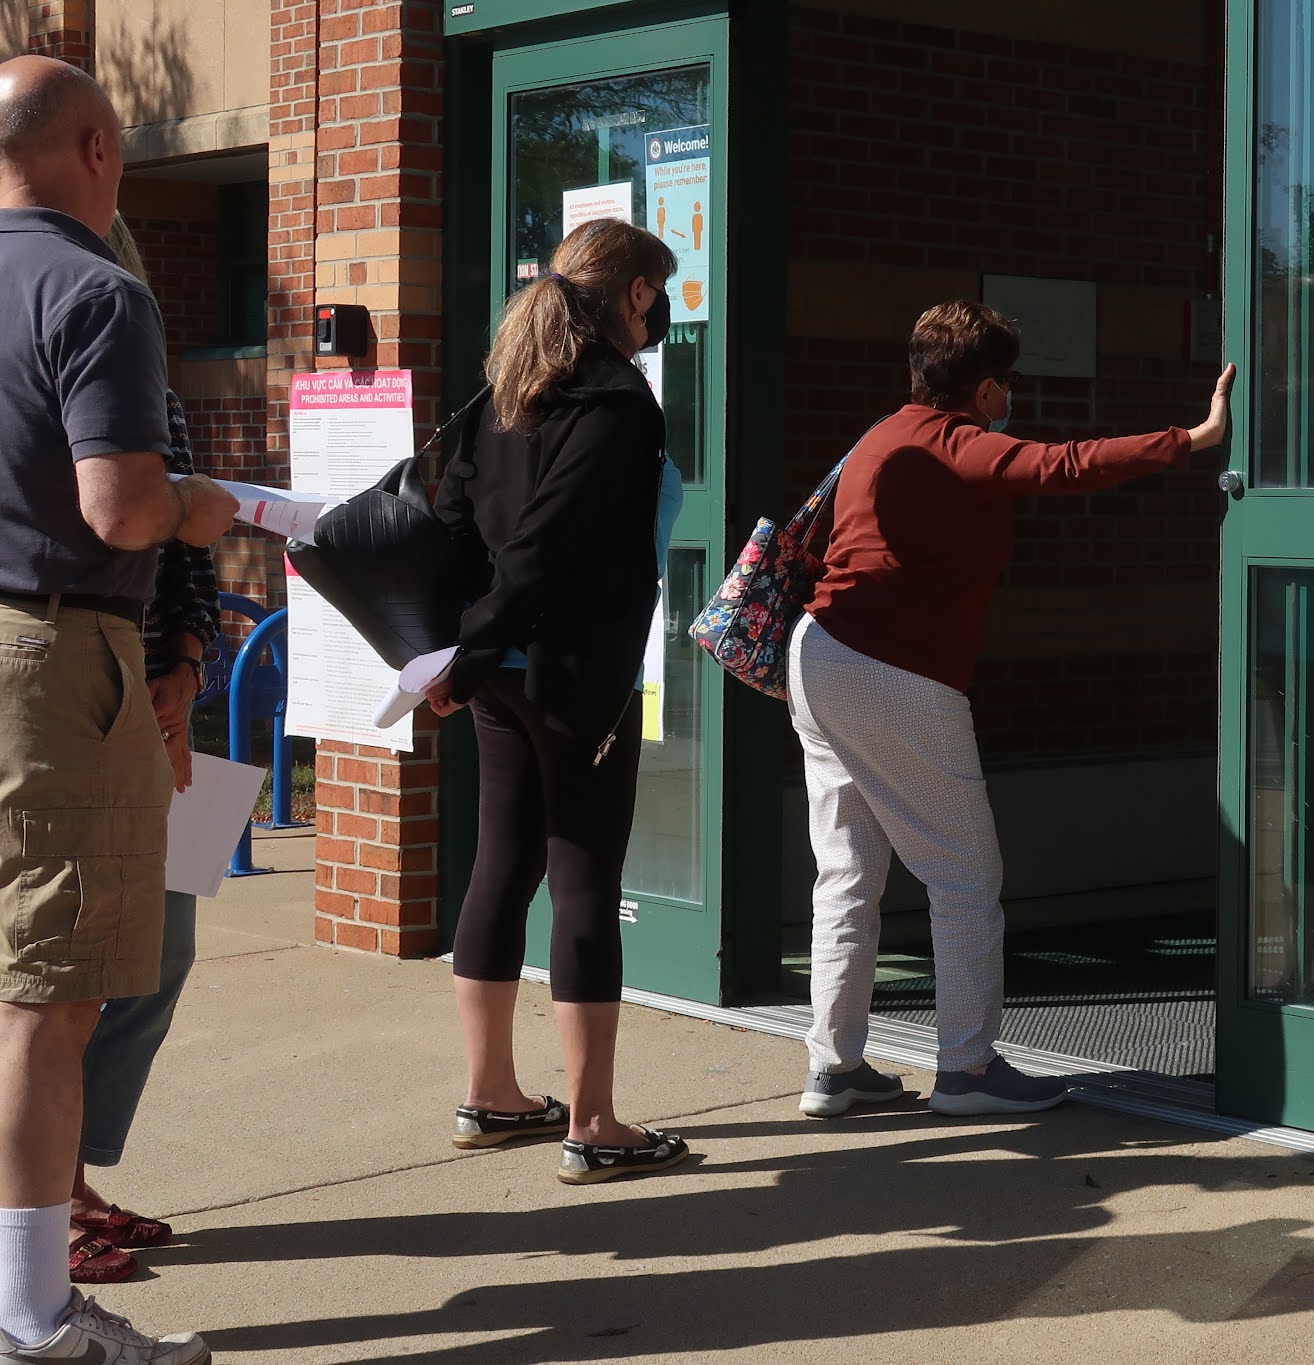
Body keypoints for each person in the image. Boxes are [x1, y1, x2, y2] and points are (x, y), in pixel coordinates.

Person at [791, 300, 1233, 1119]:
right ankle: (966, 1070)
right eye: (1010, 382)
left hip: (820, 658)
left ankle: (835, 1066)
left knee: (848, 871)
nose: (1012, 397)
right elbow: (1066, 465)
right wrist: (1192, 439)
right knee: (964, 872)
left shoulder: (882, 436)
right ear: (988, 388)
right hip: (896, 671)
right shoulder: (956, 442)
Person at [0, 54, 238, 1365]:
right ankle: (34, 1317)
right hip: (57, 659)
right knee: (50, 1000)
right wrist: (207, 508)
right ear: (96, 150)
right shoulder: (99, 291)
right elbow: (126, 508)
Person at [426, 219, 691, 1185]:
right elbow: (548, 542)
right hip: (574, 674)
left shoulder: (505, 392)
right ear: (633, 293)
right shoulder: (616, 399)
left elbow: (455, 527)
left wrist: (459, 653)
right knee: (583, 878)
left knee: (503, 864)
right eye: (658, 297)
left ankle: (491, 1093)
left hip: (499, 675)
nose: (658, 319)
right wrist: (471, 653)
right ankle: (594, 1123)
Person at [58, 215, 223, 1287]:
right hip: (69, 693)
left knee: (163, 948)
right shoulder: (48, 359)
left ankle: (67, 1173)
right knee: (63, 962)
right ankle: (44, 1199)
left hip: (160, 699)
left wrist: (190, 662)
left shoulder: (151, 381)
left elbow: (191, 556)